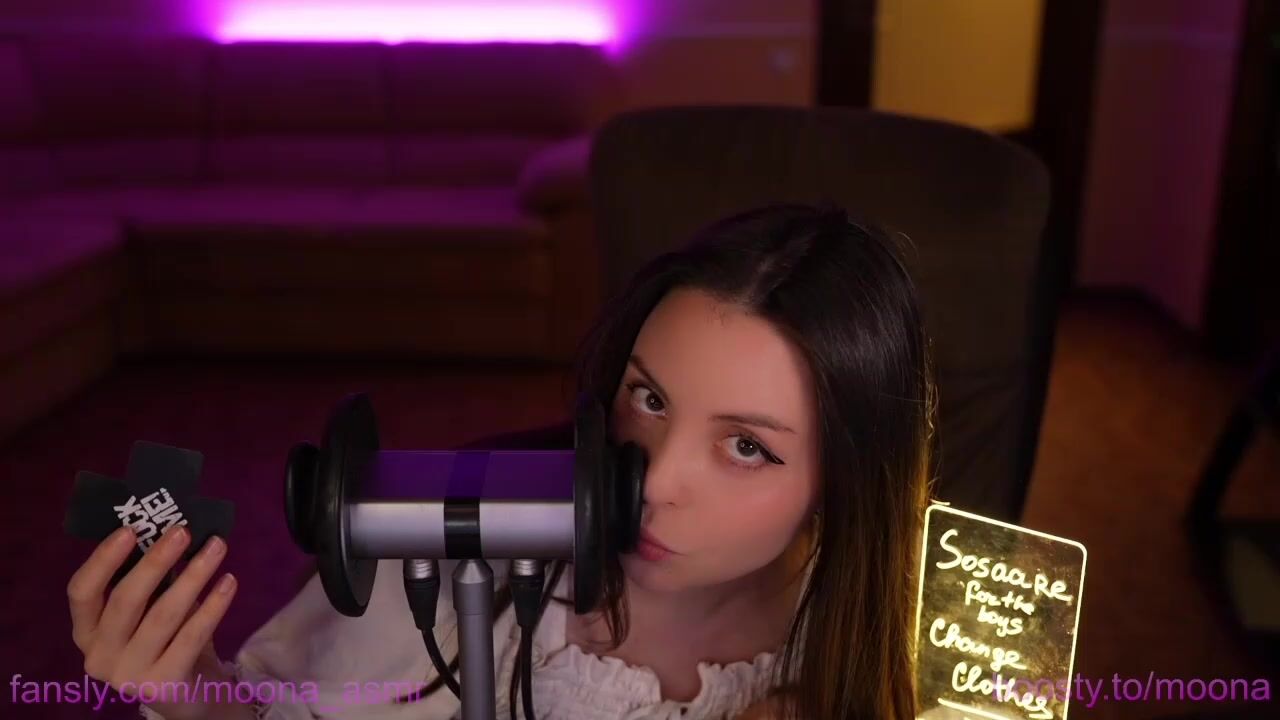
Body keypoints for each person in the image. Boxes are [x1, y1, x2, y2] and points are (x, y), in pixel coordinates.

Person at [66, 202, 938, 719]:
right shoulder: (458, 550)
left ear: (847, 477)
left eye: (746, 446)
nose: (657, 481)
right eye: (649, 398)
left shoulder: (885, 621)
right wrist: (193, 696)